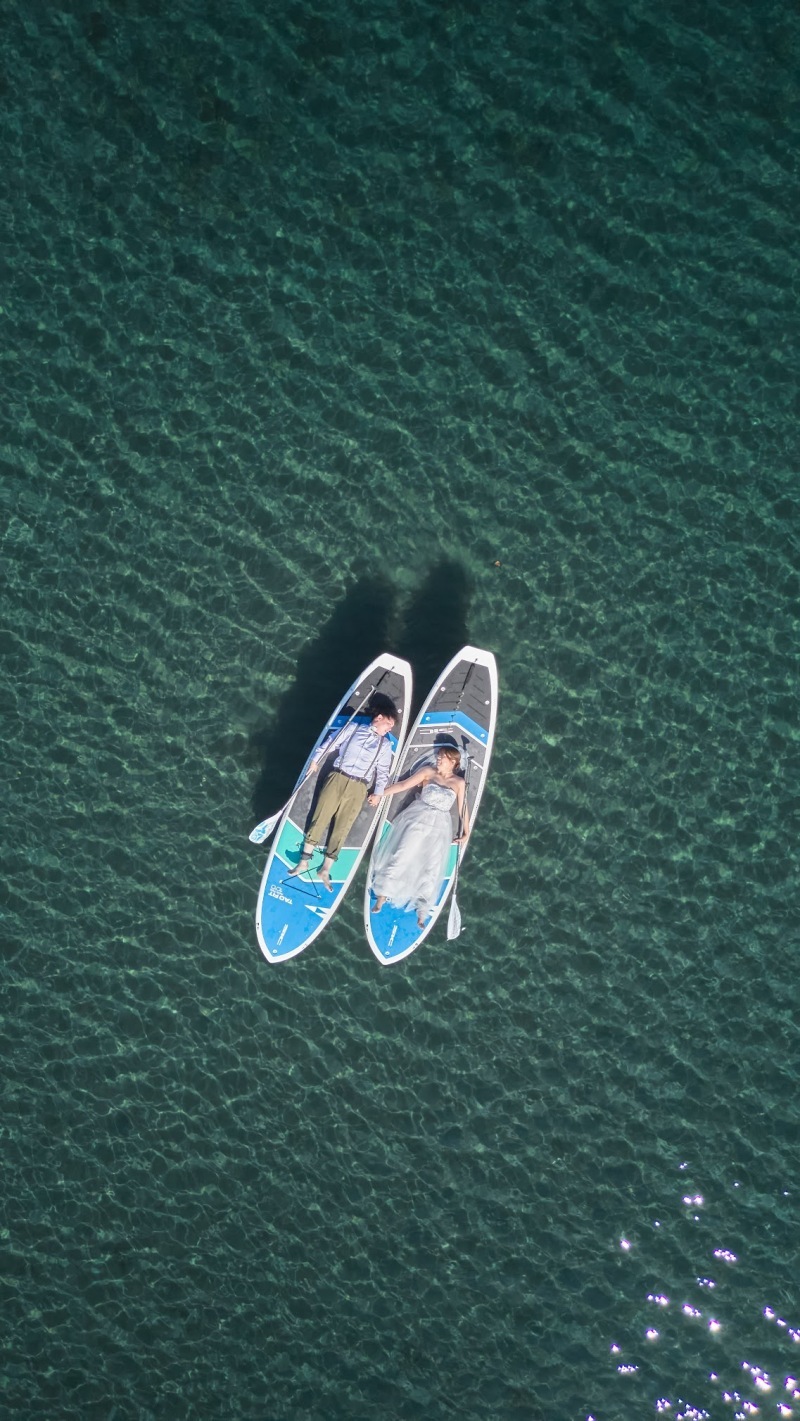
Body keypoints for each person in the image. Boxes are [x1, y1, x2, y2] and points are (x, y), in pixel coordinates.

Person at [289, 706, 397, 890]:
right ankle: (304, 862)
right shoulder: (353, 728)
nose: (389, 730)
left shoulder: (384, 745)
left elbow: (383, 772)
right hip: (338, 776)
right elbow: (332, 742)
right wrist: (315, 760)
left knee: (343, 826)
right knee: (320, 817)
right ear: (379, 718)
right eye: (388, 725)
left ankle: (325, 868)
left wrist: (378, 793)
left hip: (359, 786)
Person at [370, 745, 470, 929]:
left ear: (453, 761)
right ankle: (382, 895)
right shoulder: (427, 772)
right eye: (438, 756)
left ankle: (422, 910)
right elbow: (402, 785)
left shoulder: (458, 782)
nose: (438, 759)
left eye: (443, 757)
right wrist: (379, 793)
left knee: (431, 866)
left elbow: (462, 807)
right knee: (402, 854)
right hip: (418, 818)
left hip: (440, 825)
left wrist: (466, 831)